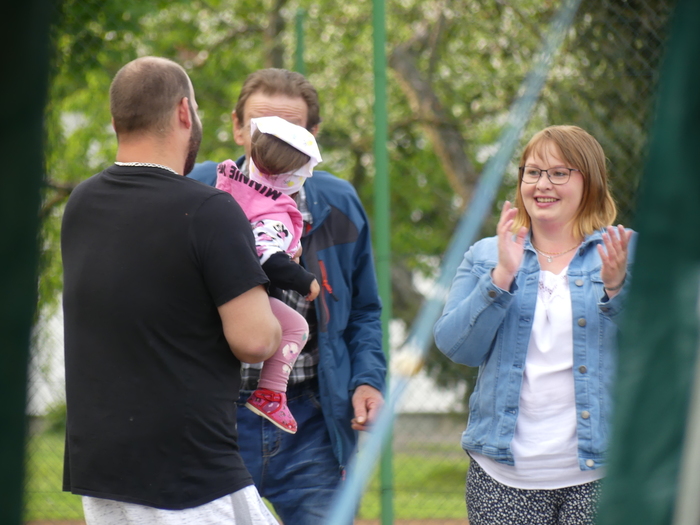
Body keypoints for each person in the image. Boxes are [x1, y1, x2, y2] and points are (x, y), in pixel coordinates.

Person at [61, 56, 282, 524]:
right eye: (196, 109)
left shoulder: (81, 203)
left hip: (101, 464)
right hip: (185, 470)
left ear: (116, 120)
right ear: (184, 112)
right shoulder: (209, 210)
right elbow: (256, 340)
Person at [188, 68, 386, 524]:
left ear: (313, 136)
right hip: (210, 421)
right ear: (238, 127)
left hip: (310, 420)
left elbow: (364, 310)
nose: (274, 144)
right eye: (262, 128)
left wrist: (368, 380)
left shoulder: (339, 203)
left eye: (291, 131)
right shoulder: (197, 188)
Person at [433, 125, 634, 525]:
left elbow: (656, 349)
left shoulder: (625, 251)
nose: (543, 184)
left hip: (604, 473)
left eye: (559, 173)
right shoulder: (486, 254)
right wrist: (500, 278)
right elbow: (457, 347)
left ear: (590, 181)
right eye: (533, 172)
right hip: (502, 478)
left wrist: (617, 289)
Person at [216, 115, 323, 434]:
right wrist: (303, 278)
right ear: (292, 178)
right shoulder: (273, 212)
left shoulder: (237, 185)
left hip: (218, 286)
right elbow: (265, 255)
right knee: (296, 327)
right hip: (243, 292)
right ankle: (271, 394)